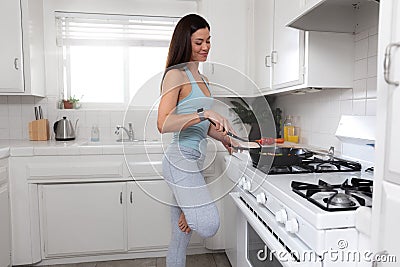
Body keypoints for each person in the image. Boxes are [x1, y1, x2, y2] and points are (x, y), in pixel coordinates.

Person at [157, 13, 237, 267]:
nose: (205, 47)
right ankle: (188, 208)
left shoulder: (203, 80)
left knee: (180, 237)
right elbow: (163, 123)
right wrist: (204, 113)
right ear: (185, 42)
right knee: (207, 223)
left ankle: (186, 209)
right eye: (199, 42)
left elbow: (199, 126)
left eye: (208, 40)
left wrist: (222, 136)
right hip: (180, 159)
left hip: (194, 161)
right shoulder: (175, 75)